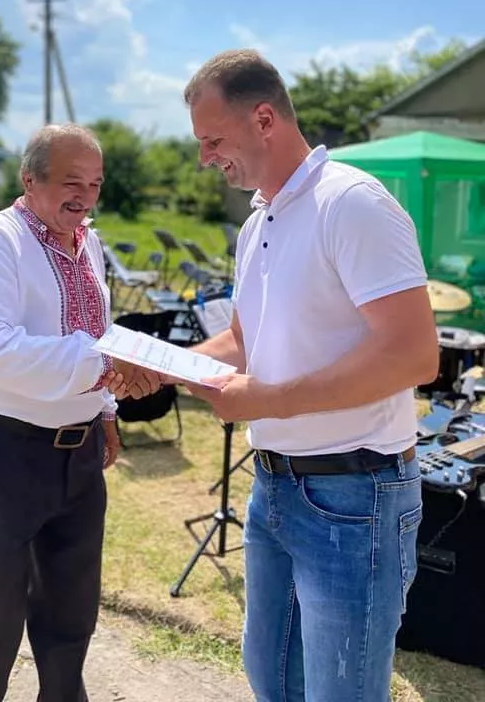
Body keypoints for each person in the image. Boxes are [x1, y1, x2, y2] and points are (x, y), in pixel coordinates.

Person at [109, 50, 439, 702]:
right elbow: (244, 339)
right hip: (275, 490)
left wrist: (269, 401)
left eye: (212, 141)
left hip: (355, 497)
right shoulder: (258, 220)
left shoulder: (351, 204)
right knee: (272, 680)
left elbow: (412, 354)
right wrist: (165, 366)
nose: (204, 159)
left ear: (264, 119)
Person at [0, 123, 145, 702]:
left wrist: (104, 409)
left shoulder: (89, 243)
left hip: (78, 453)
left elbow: (95, 329)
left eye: (95, 183)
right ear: (29, 180)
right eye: (70, 182)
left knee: (71, 607)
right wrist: (102, 364)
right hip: (6, 451)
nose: (85, 196)